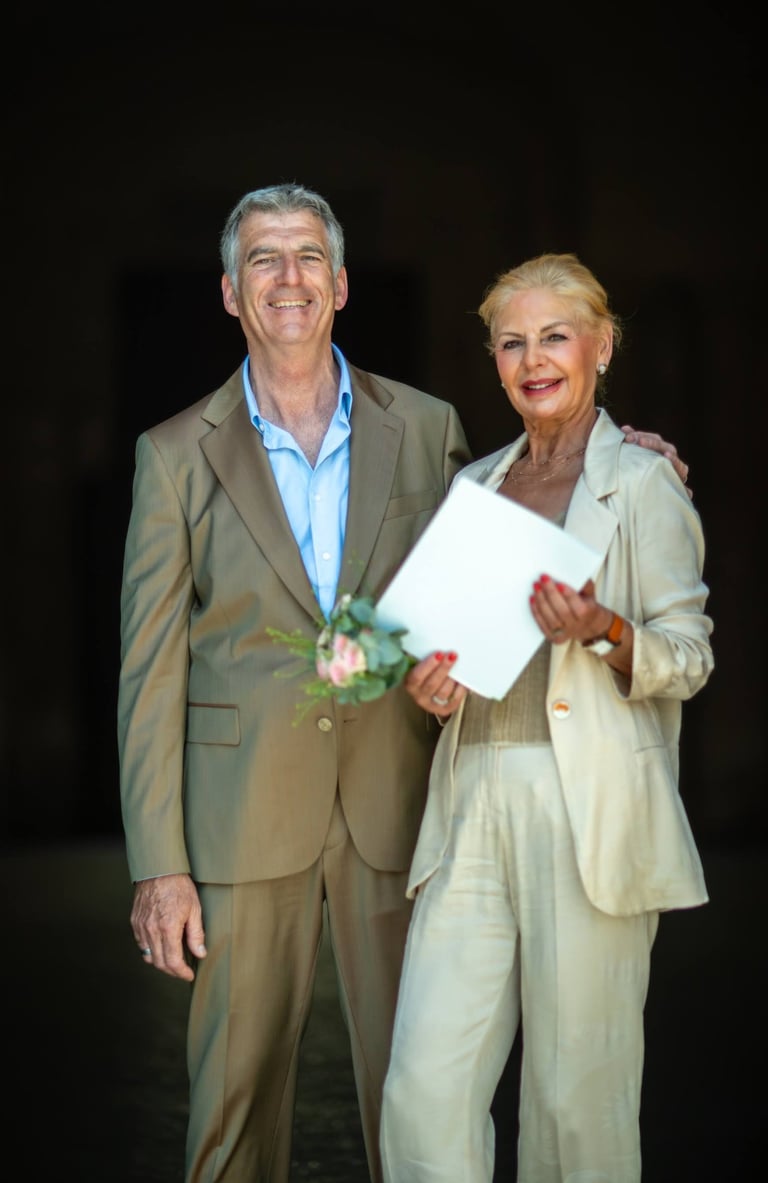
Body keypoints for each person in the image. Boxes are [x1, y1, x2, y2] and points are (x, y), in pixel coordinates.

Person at [117, 185, 691, 1183]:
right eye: (263, 258)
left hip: (404, 804)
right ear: (230, 292)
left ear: (341, 285)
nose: (288, 277)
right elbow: (148, 663)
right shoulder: (171, 455)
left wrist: (624, 454)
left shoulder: (428, 429)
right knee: (231, 1108)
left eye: (308, 256)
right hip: (241, 816)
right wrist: (158, 863)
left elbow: (509, 536)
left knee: (416, 1100)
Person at [379, 252, 714, 1183]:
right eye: (511, 342)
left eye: (554, 337)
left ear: (601, 347)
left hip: (587, 809)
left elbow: (690, 655)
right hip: (470, 800)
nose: (534, 359)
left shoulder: (644, 481)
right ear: (492, 360)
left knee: (575, 1103)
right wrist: (429, 688)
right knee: (423, 1088)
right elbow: (439, 654)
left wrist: (605, 629)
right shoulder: (476, 488)